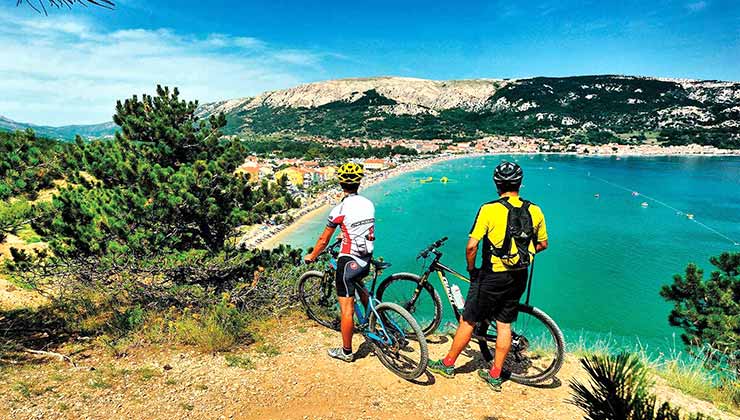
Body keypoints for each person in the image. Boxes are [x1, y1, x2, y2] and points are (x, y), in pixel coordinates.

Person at [428, 161, 548, 391]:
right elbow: (542, 244)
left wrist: (472, 270)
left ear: (497, 184)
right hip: (519, 275)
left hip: (492, 276)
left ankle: (448, 363)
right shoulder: (535, 210)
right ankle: (494, 374)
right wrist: (523, 254)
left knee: (468, 319)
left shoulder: (489, 209)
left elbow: (471, 247)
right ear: (520, 184)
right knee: (504, 324)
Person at [303, 162, 375, 362]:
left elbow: (323, 240)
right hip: (365, 258)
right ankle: (373, 320)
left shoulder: (339, 209)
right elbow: (358, 228)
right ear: (359, 182)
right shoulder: (368, 204)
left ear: (341, 183)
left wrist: (312, 256)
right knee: (362, 289)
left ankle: (346, 352)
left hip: (348, 261)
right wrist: (344, 235)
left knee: (346, 309)